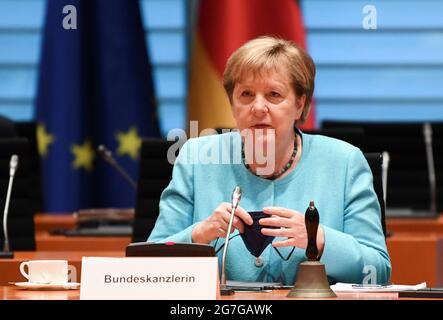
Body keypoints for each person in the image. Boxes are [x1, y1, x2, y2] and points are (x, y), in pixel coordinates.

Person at [148, 36, 391, 285]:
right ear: (232, 104)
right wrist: (197, 235)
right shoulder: (197, 158)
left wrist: (319, 239)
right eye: (246, 94)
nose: (258, 107)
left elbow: (378, 271)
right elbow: (147, 266)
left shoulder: (345, 162)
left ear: (300, 104)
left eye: (274, 94)